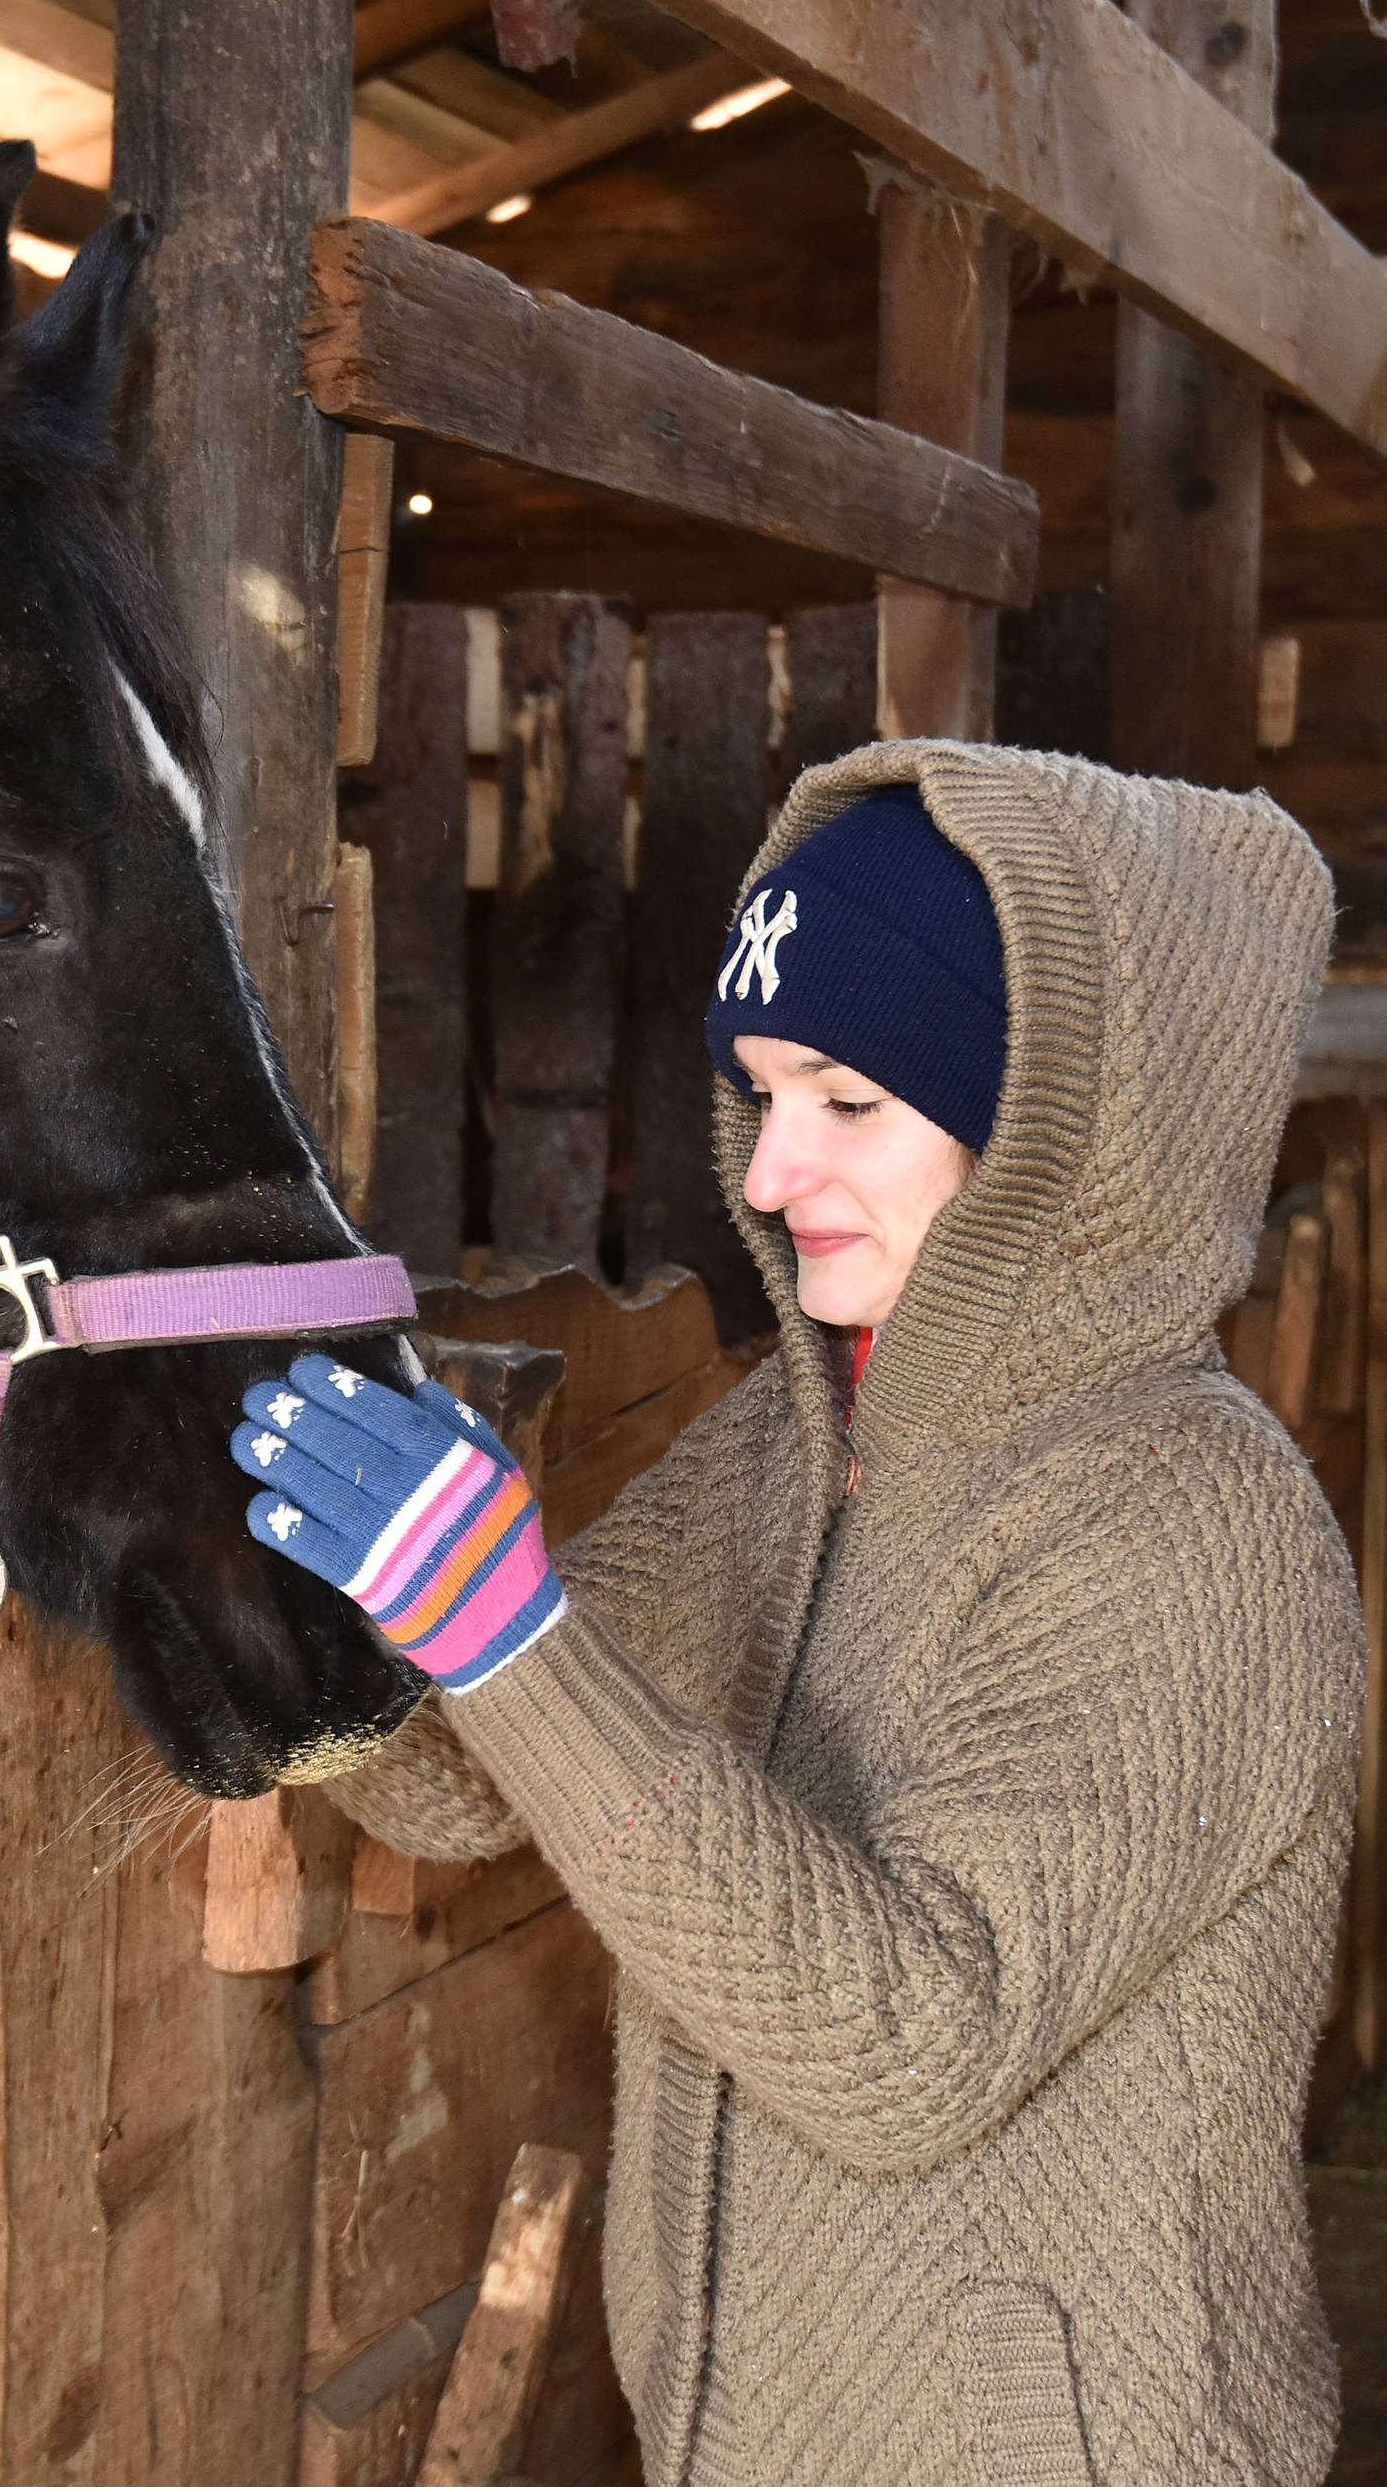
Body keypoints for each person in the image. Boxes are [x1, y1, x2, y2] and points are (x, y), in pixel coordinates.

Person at [228, 740, 1366, 2487]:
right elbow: (471, 1777)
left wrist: (506, 1632)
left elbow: (907, 2038)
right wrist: (294, 1600)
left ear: (1054, 1123)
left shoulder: (1190, 1526)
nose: (766, 1174)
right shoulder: (795, 1438)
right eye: (761, 1095)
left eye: (845, 1100)